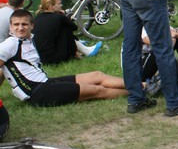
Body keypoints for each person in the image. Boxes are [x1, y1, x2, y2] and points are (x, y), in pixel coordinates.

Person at [0, 9, 128, 106]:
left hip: (45, 82)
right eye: (16, 24)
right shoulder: (10, 44)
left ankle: (143, 85)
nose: (20, 28)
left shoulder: (29, 39)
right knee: (97, 90)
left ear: (32, 25)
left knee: (97, 75)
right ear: (11, 27)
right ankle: (140, 93)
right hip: (37, 92)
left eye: (24, 24)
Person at [32, 0, 102, 64]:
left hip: (40, 58)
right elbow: (74, 27)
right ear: (51, 6)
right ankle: (85, 50)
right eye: (59, 4)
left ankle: (79, 45)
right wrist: (64, 16)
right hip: (54, 58)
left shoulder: (36, 18)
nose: (61, 5)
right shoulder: (58, 17)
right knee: (65, 27)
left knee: (59, 28)